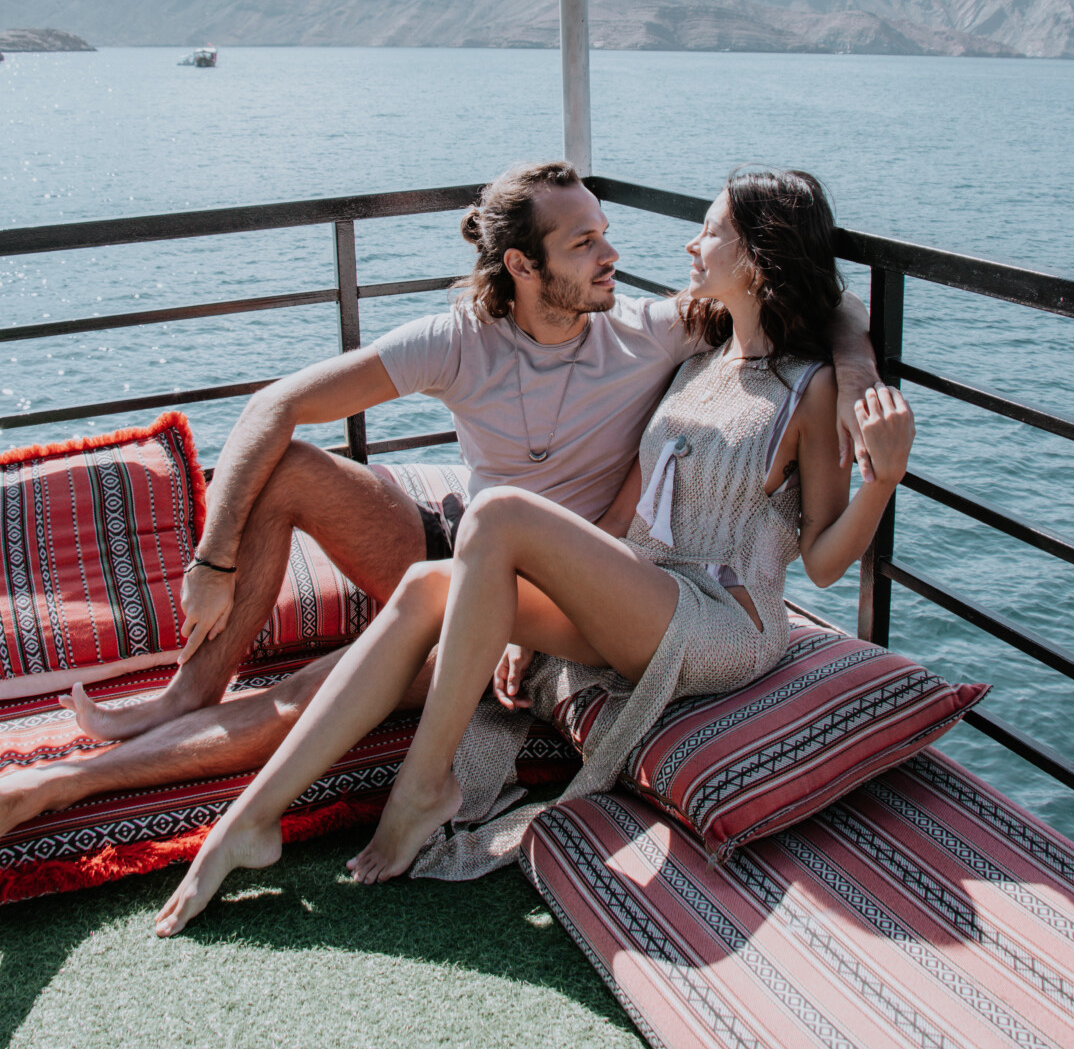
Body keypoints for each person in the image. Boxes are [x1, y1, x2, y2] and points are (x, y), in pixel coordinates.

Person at [0, 161, 877, 841]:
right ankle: (191, 691)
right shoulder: (458, 340)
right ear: (521, 267)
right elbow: (277, 406)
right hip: (458, 541)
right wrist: (213, 559)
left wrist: (866, 386)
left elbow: (817, 299)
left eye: (605, 233)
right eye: (583, 244)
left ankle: (62, 783)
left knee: (323, 686)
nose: (615, 256)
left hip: (539, 587)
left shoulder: (655, 330)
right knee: (293, 466)